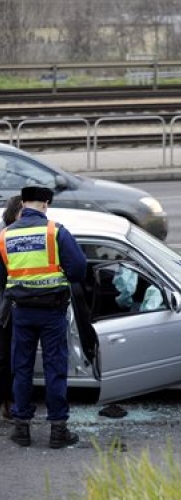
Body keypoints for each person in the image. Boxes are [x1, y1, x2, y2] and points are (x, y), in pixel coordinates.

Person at [0, 186, 87, 448]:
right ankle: (58, 432)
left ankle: (22, 430)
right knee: (55, 369)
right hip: (52, 312)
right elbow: (79, 269)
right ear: (45, 204)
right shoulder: (54, 231)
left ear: (23, 204)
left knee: (22, 369)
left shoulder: (5, 236)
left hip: (22, 313)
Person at [0, 195, 22, 419]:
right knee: (7, 359)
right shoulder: (7, 239)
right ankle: (9, 403)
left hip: (9, 308)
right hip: (7, 311)